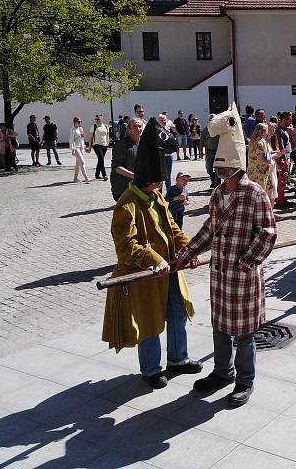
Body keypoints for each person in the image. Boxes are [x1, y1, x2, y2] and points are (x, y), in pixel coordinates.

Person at [174, 102, 277, 408]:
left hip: (243, 277)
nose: (218, 174)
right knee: (220, 328)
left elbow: (268, 234)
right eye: (217, 170)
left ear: (236, 168)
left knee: (244, 334)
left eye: (222, 170)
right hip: (220, 277)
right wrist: (184, 254)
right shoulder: (219, 194)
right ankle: (222, 372)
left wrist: (246, 264)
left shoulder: (254, 193)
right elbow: (209, 230)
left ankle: (245, 381)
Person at [102, 117, 202, 389]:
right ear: (146, 180)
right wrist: (155, 261)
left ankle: (178, 360)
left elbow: (172, 227)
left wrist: (188, 249)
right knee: (150, 321)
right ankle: (150, 369)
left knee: (177, 311)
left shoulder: (156, 197)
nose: (160, 186)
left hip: (170, 269)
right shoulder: (126, 205)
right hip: (146, 275)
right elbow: (126, 248)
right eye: (156, 182)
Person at [110, 117, 142, 201]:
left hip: (138, 188)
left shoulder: (142, 144)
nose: (138, 129)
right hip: (123, 188)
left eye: (139, 126)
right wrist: (134, 176)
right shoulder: (122, 144)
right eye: (135, 126)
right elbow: (116, 167)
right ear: (129, 129)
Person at [246, 122, 273, 197]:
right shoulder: (260, 143)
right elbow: (260, 159)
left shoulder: (253, 141)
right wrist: (270, 161)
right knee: (259, 195)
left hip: (252, 171)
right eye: (267, 130)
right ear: (264, 131)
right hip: (259, 174)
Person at [69, 117, 91, 183]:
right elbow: (71, 140)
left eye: (80, 121)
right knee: (82, 162)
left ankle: (75, 178)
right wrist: (73, 149)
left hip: (81, 147)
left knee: (78, 164)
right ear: (74, 122)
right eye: (78, 122)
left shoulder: (81, 129)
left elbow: (82, 139)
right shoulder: (73, 130)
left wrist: (84, 147)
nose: (79, 123)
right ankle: (86, 178)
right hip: (76, 148)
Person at [157, 114, 175, 191]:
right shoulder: (156, 131)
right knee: (160, 175)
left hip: (169, 155)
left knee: (168, 175)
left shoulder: (168, 131)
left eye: (164, 120)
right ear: (158, 121)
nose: (163, 121)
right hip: (160, 156)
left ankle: (169, 192)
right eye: (161, 120)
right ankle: (159, 193)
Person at [89, 114, 110, 181]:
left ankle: (97, 174)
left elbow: (107, 136)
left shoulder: (106, 126)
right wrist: (89, 147)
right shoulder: (94, 126)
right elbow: (91, 137)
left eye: (98, 119)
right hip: (96, 145)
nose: (96, 120)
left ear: (101, 119)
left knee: (100, 160)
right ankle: (104, 175)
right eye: (96, 119)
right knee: (101, 159)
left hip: (104, 145)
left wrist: (108, 143)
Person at [202, 114, 220, 188]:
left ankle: (217, 185)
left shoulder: (219, 129)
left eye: (213, 119)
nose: (212, 121)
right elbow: (202, 139)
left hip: (218, 151)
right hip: (209, 151)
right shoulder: (206, 129)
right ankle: (213, 181)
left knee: (217, 169)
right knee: (209, 169)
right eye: (210, 119)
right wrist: (200, 152)